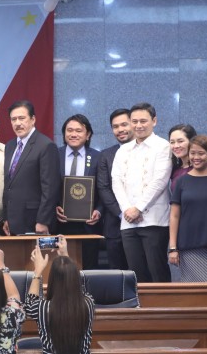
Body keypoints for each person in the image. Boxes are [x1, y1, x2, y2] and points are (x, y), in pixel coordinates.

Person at [111, 102, 172, 283]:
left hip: (155, 220)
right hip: (128, 222)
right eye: (134, 121)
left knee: (157, 271)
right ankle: (141, 311)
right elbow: (116, 181)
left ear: (154, 121)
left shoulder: (163, 146)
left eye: (143, 121)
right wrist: (127, 210)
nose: (138, 125)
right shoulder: (123, 149)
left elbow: (160, 181)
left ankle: (164, 311)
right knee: (136, 275)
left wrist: (138, 208)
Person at [168, 135, 207, 282]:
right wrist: (173, 248)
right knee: (193, 292)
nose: (196, 157)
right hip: (188, 246)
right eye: (192, 153)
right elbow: (174, 216)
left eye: (201, 153)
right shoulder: (182, 181)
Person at [24, 236, 95, 354]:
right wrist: (65, 256)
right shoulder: (88, 303)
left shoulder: (43, 308)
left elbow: (29, 304)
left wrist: (38, 271)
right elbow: (78, 289)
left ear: (52, 279)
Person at [2, 100, 61, 235]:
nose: (17, 123)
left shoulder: (46, 145)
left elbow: (50, 188)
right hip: (13, 221)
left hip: (35, 221)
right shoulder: (10, 146)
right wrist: (6, 217)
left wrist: (43, 221)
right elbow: (9, 185)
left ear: (33, 119)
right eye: (13, 119)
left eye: (22, 118)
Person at [55, 114, 102, 270]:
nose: (73, 134)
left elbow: (104, 189)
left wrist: (99, 211)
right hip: (60, 223)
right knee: (61, 267)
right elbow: (47, 186)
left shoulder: (97, 157)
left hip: (89, 224)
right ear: (64, 134)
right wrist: (54, 207)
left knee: (88, 267)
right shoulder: (54, 155)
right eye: (69, 130)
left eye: (78, 130)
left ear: (87, 134)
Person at [96, 109, 133, 270]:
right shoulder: (106, 155)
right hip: (114, 223)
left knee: (142, 274)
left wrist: (136, 212)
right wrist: (121, 213)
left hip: (143, 223)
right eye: (115, 126)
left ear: (133, 124)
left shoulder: (148, 152)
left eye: (124, 124)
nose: (120, 130)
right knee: (117, 274)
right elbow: (103, 187)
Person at [168, 124, 197, 192]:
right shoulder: (174, 170)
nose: (176, 146)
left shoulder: (204, 166)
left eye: (180, 141)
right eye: (172, 142)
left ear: (191, 141)